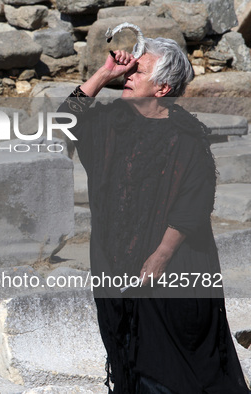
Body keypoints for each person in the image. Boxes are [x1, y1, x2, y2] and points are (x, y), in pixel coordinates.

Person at [58, 37, 250, 393]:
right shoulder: (111, 122)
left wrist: (161, 255)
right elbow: (64, 122)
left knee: (171, 368)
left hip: (172, 266)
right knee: (129, 357)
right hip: (115, 266)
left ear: (162, 88)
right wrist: (105, 73)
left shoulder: (186, 136)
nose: (128, 76)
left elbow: (194, 204)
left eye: (138, 71)